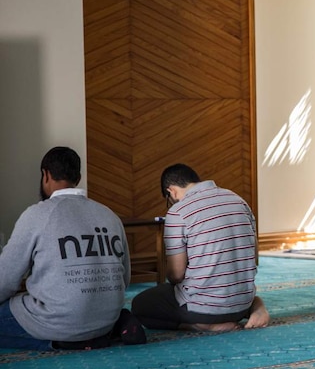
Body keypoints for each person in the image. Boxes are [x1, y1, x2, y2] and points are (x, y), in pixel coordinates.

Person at [0, 147, 144, 350]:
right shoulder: (109, 215)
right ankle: (107, 330)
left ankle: (69, 339)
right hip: (105, 319)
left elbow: (5, 279)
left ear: (46, 174)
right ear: (78, 176)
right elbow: (125, 278)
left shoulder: (37, 215)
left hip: (58, 321)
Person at [131, 164, 269, 332]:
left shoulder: (178, 211)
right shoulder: (239, 200)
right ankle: (256, 307)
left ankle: (201, 325)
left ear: (171, 191)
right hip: (242, 303)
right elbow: (253, 256)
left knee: (140, 305)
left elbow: (176, 274)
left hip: (204, 309)